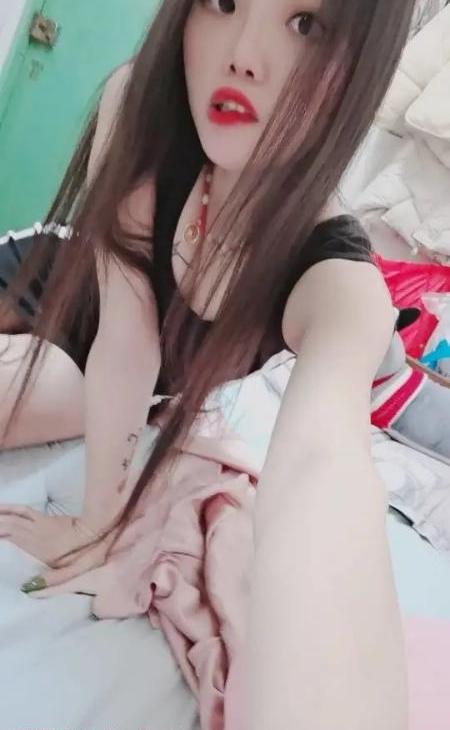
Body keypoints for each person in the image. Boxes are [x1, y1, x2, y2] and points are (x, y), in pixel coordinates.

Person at [0, 0, 416, 727]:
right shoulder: (139, 104)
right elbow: (125, 331)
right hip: (36, 282)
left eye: (306, 24)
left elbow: (323, 463)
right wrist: (97, 519)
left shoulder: (338, 284)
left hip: (72, 373)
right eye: (223, 2)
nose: (242, 56)